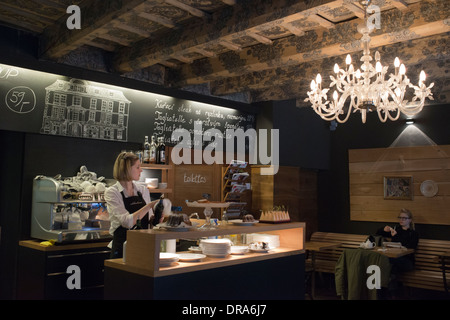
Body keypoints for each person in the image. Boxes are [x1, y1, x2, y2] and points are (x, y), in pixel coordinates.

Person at [105, 151, 161, 258]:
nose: (141, 170)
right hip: (122, 248)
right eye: (137, 167)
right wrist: (149, 205)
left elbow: (148, 220)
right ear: (127, 168)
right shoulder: (112, 192)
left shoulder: (142, 190)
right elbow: (127, 222)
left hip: (142, 246)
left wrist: (156, 219)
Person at [376, 208, 419, 272]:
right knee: (383, 260)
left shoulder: (413, 233)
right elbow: (378, 233)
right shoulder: (396, 229)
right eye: (400, 217)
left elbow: (410, 248)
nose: (401, 220)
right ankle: (390, 280)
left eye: (404, 218)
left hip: (407, 260)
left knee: (388, 262)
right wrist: (383, 229)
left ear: (410, 220)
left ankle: (390, 280)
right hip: (394, 258)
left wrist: (396, 236)